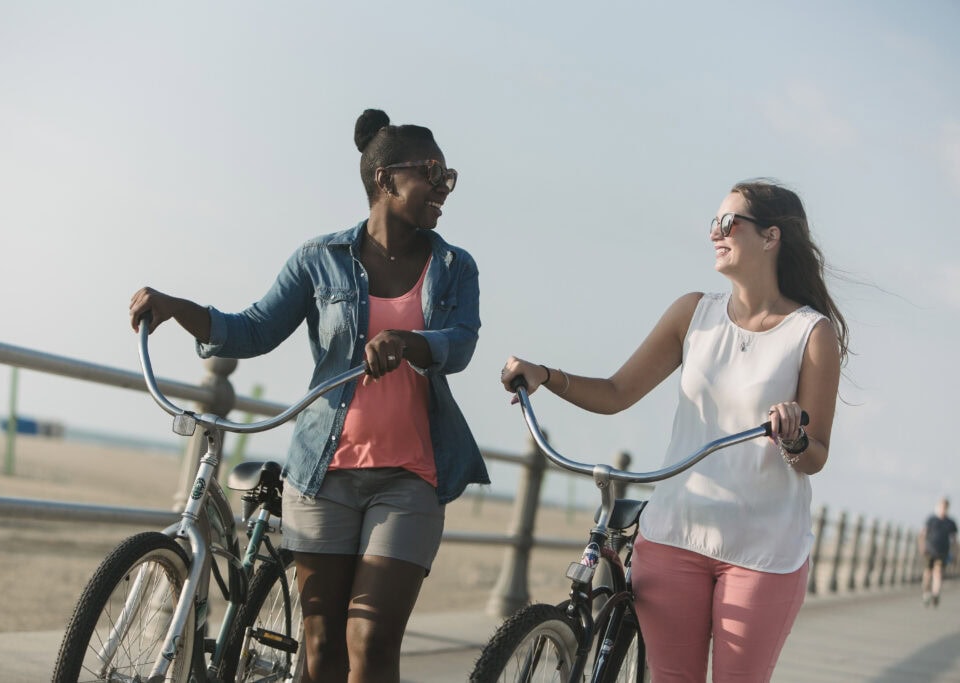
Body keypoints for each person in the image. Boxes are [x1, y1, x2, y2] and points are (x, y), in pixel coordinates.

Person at [129, 108, 487, 683]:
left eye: (448, 176)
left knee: (370, 641)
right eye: (431, 173)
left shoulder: (453, 266)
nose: (444, 188)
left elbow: (463, 343)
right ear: (385, 179)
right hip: (323, 475)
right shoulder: (318, 260)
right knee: (321, 645)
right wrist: (178, 310)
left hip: (411, 479)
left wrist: (410, 342)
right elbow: (252, 329)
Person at [501, 179, 849, 683]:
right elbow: (617, 392)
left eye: (729, 223)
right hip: (674, 536)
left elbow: (815, 454)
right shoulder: (694, 313)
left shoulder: (811, 334)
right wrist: (545, 376)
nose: (715, 233)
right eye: (714, 222)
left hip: (762, 551)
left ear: (771, 237)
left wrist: (794, 438)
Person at [919, 497, 957, 607]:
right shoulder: (931, 520)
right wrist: (922, 547)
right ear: (938, 506)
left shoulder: (951, 523)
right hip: (929, 550)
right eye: (942, 506)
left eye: (945, 507)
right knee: (927, 573)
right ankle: (926, 593)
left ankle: (935, 594)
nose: (943, 509)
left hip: (942, 551)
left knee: (938, 572)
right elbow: (923, 534)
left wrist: (954, 553)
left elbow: (954, 540)